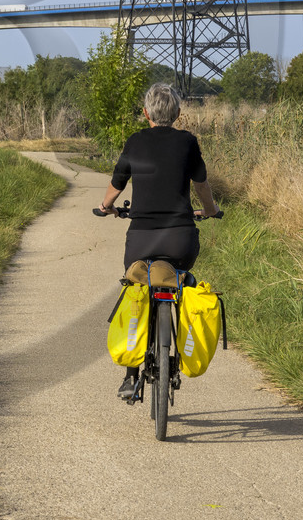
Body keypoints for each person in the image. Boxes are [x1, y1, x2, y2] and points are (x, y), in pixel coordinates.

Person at [94, 82, 220, 399]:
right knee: (180, 278)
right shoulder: (188, 142)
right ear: (178, 114)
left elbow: (117, 182)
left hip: (141, 241)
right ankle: (177, 327)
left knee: (136, 289)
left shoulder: (135, 141)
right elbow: (202, 185)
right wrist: (210, 210)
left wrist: (106, 206)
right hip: (180, 239)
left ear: (146, 113)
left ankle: (130, 375)